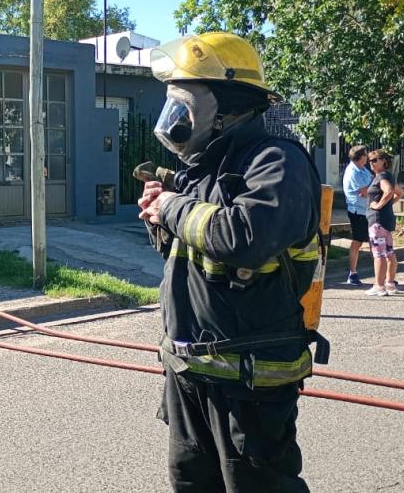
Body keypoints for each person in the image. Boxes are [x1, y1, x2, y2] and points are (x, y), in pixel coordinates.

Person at [138, 32, 323, 492]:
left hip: (250, 380)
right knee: (191, 483)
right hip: (188, 370)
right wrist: (158, 218)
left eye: (184, 105)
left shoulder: (276, 162)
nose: (174, 120)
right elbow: (188, 255)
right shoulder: (203, 169)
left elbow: (244, 238)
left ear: (224, 107)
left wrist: (173, 209)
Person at [365, 149, 402, 296]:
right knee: (389, 252)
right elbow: (399, 192)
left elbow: (389, 191)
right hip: (385, 220)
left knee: (378, 254)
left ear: (384, 161)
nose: (371, 163)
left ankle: (379, 286)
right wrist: (388, 204)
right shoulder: (388, 175)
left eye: (375, 160)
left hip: (377, 221)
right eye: (370, 161)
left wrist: (379, 205)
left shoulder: (381, 176)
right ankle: (390, 284)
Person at [342, 146, 372, 285]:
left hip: (367, 209)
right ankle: (352, 273)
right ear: (359, 157)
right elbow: (366, 191)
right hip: (358, 211)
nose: (368, 157)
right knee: (358, 241)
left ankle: (380, 271)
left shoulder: (363, 169)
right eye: (365, 155)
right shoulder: (353, 171)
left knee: (374, 240)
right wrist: (369, 190)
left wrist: (369, 189)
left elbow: (372, 184)